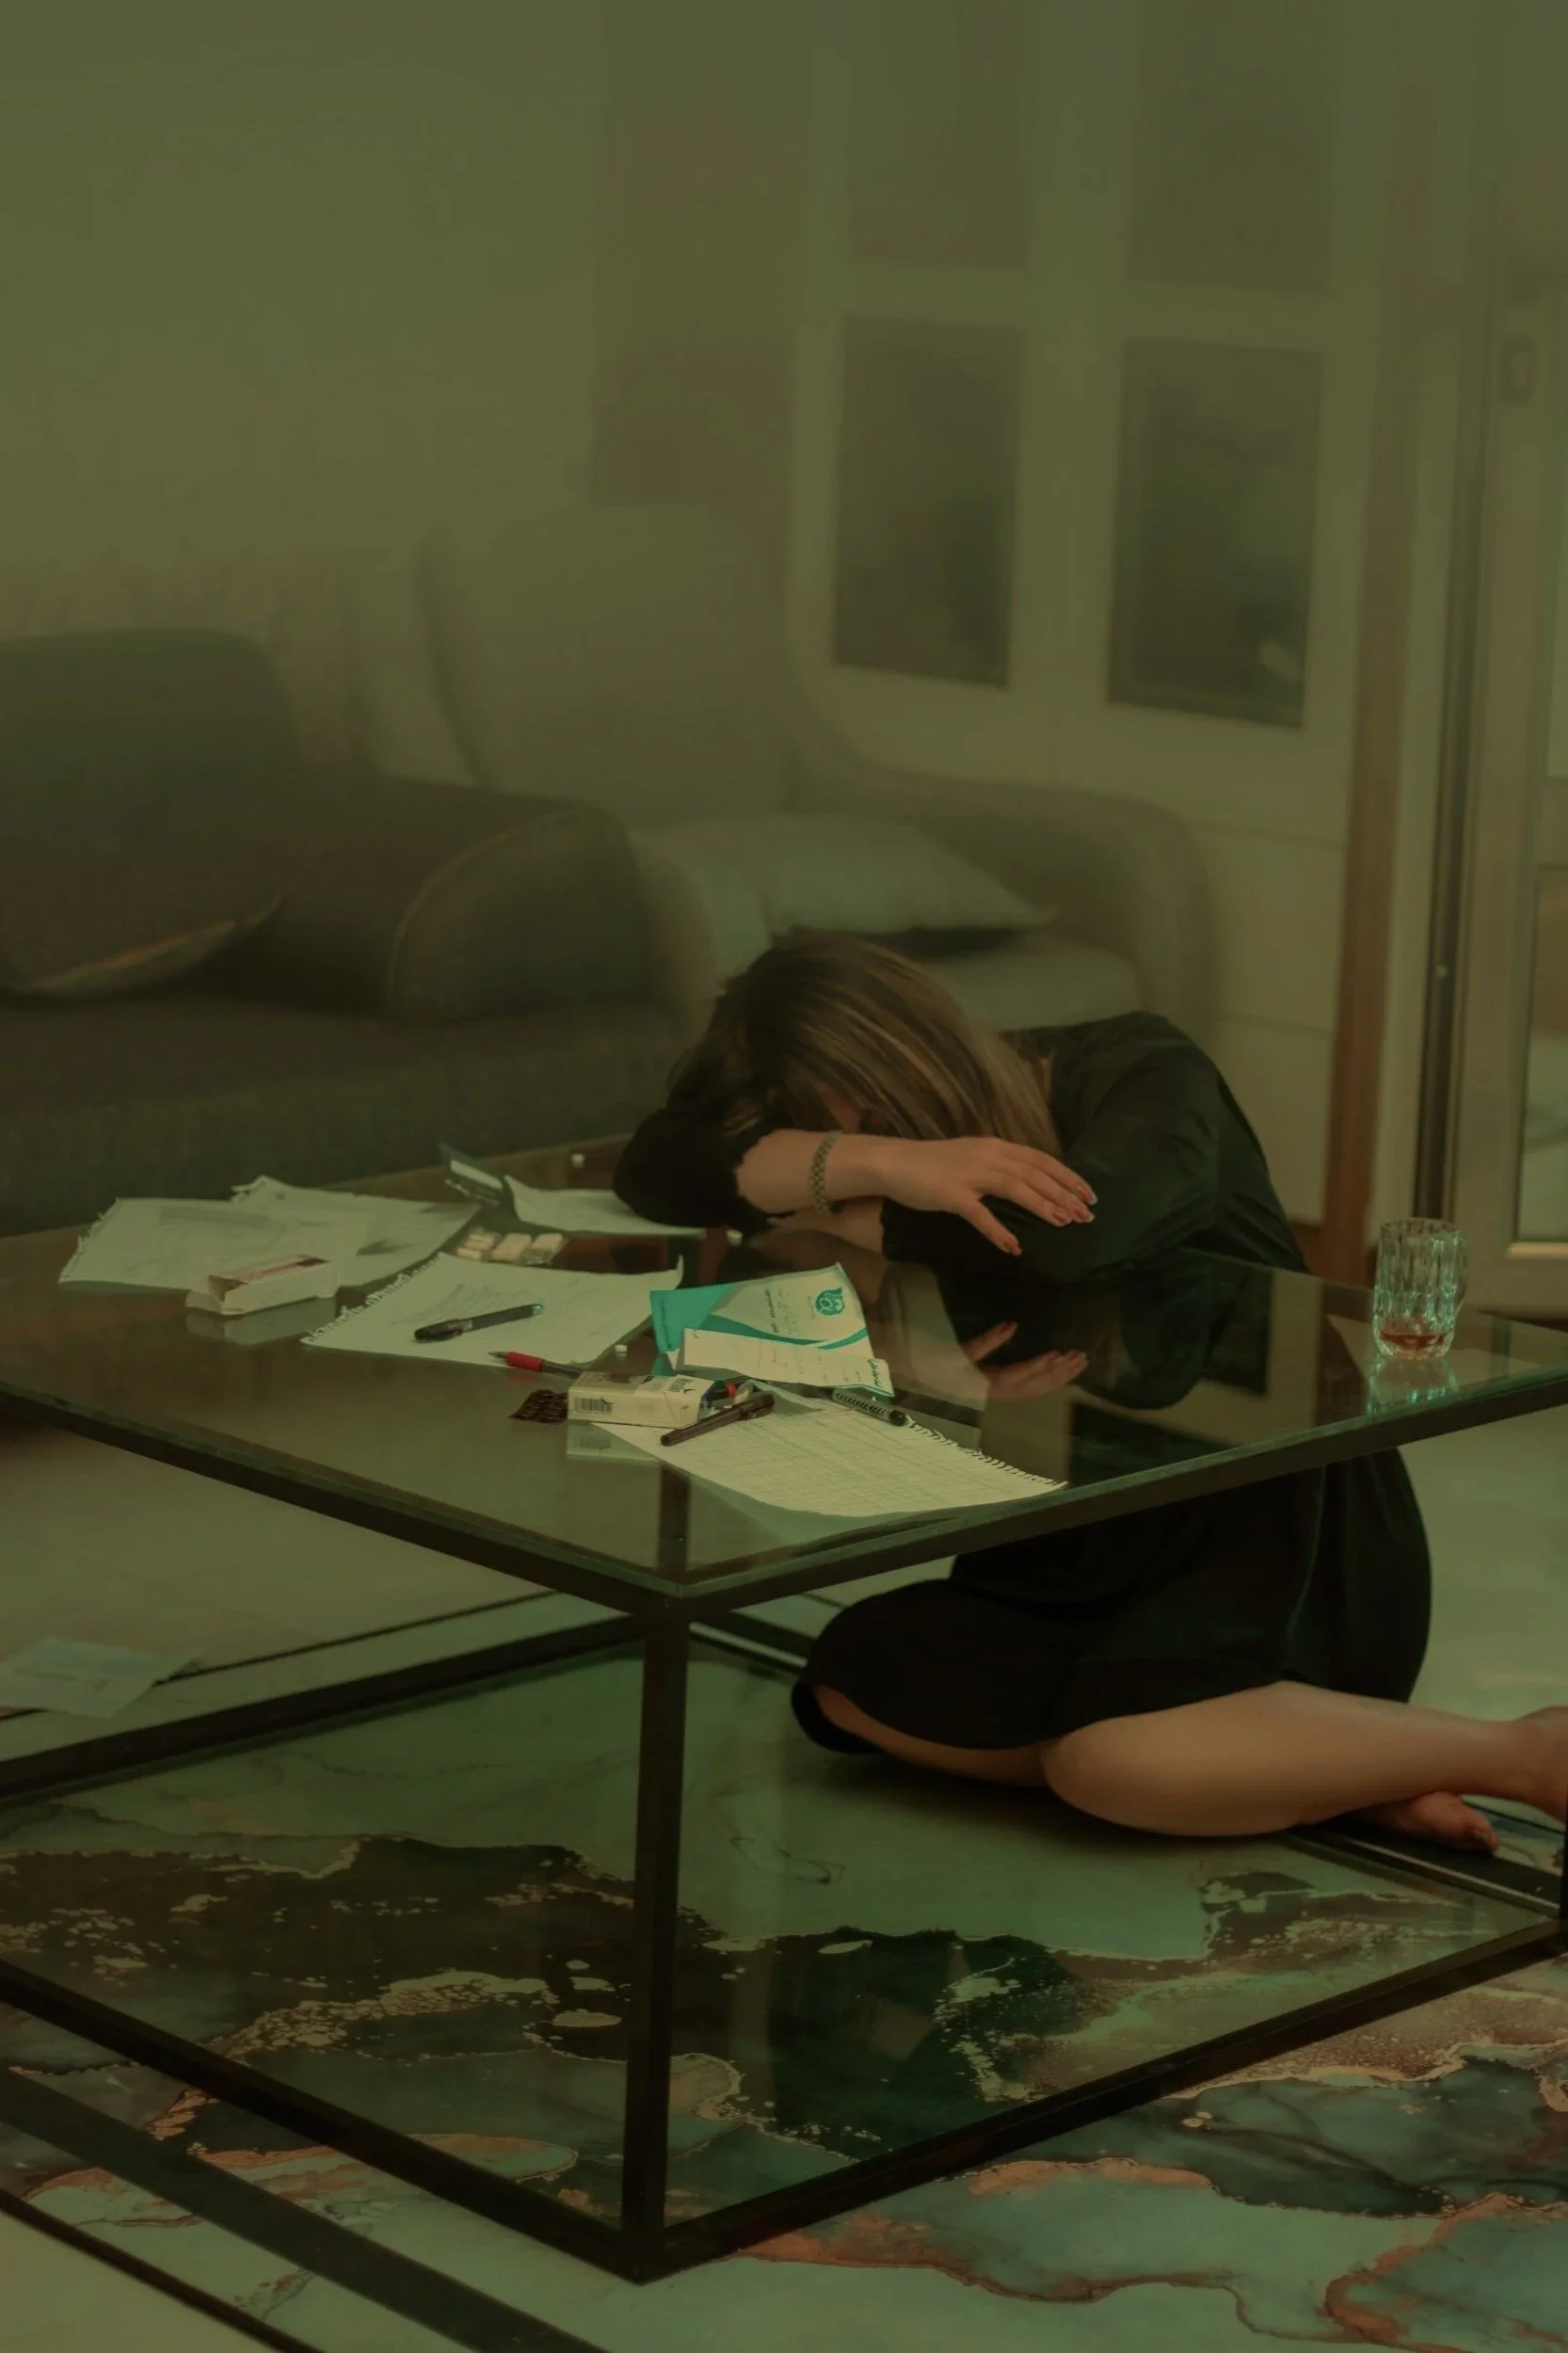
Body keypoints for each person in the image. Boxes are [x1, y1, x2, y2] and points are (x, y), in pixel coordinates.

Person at [616, 935, 1567, 1850]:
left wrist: (845, 1207)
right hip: (1081, 1529)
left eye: (865, 1124)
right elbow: (653, 1168)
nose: (851, 1151)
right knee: (848, 1676)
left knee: (1104, 1764)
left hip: (1273, 1522)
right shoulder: (894, 1160)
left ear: (905, 1062)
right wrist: (888, 1166)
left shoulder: (1146, 1068)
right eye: (820, 1144)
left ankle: (1521, 1750)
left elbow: (1073, 1239)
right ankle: (1309, 1767)